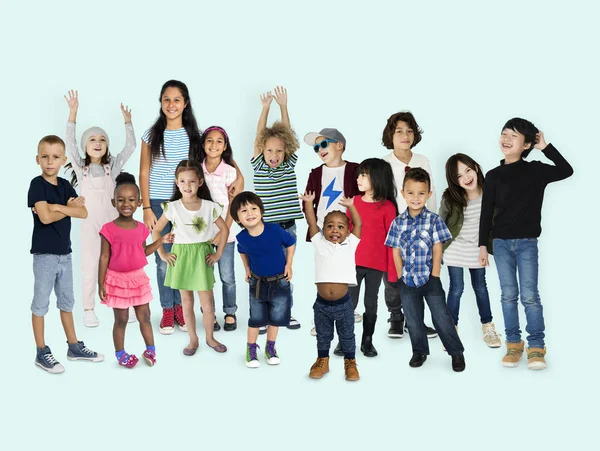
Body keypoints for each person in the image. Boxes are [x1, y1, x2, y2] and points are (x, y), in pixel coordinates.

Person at [140, 80, 243, 335]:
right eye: (166, 99)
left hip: (188, 204)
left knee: (185, 257)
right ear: (160, 102)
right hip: (157, 203)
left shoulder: (195, 136)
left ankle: (184, 310)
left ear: (185, 103)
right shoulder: (151, 135)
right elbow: (143, 171)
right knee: (164, 260)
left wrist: (239, 179)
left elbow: (222, 160)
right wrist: (145, 207)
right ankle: (168, 309)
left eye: (177, 100)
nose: (171, 104)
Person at [479, 118, 573, 370]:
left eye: (514, 135)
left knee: (530, 296)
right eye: (504, 133)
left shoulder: (536, 170)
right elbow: (486, 213)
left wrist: (545, 147)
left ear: (526, 144)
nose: (506, 139)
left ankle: (536, 346)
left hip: (527, 242)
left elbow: (567, 170)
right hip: (500, 243)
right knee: (508, 295)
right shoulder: (493, 176)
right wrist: (482, 245)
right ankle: (513, 344)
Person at [28, 135, 104, 373]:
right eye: (45, 157)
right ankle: (41, 351)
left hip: (65, 254)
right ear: (37, 159)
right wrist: (68, 208)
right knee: (41, 304)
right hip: (44, 256)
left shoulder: (65, 186)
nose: (50, 162)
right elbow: (45, 217)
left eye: (55, 157)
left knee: (67, 302)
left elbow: (83, 214)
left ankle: (73, 346)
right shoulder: (36, 185)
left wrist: (59, 206)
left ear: (63, 160)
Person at [64, 90, 136, 327]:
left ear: (107, 146)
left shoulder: (112, 168)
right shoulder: (80, 167)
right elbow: (69, 142)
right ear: (85, 146)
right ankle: (88, 309)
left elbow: (131, 146)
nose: (97, 143)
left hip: (112, 225)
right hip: (89, 226)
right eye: (92, 139)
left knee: (121, 265)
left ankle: (126, 303)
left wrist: (128, 122)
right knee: (90, 267)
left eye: (102, 139)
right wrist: (73, 113)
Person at [385, 168, 466, 372]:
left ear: (429, 194)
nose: (416, 198)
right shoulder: (397, 222)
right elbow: (396, 252)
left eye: (421, 193)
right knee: (413, 319)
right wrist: (401, 274)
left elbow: (437, 247)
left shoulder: (434, 220)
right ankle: (419, 351)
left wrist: (435, 273)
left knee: (441, 317)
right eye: (411, 193)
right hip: (407, 281)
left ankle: (456, 352)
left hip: (430, 278)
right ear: (403, 193)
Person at [152, 160, 229, 356]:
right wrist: (162, 253)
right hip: (181, 257)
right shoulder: (172, 207)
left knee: (208, 303)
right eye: (183, 181)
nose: (187, 186)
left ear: (200, 182)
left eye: (192, 181)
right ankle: (193, 339)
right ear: (177, 183)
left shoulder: (209, 206)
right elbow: (156, 230)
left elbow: (225, 228)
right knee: (187, 302)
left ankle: (210, 338)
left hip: (202, 256)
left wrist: (218, 253)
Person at [98, 173, 171, 368]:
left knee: (144, 316)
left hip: (137, 278)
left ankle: (151, 350)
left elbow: (143, 252)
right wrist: (101, 283)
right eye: (120, 200)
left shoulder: (141, 229)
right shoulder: (108, 229)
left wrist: (160, 241)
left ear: (139, 202)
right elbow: (104, 257)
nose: (126, 204)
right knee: (121, 319)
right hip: (116, 279)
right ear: (114, 202)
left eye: (131, 200)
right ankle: (120, 353)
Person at [331, 158, 398, 358]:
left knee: (371, 303)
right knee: (349, 303)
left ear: (377, 178)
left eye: (363, 175)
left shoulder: (387, 207)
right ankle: (344, 340)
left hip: (376, 266)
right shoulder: (354, 203)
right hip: (352, 264)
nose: (358, 178)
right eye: (358, 174)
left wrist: (393, 273)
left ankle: (367, 341)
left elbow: (392, 241)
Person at [381, 111, 438, 339]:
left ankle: (417, 320)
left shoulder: (422, 161)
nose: (405, 135)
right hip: (395, 229)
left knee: (419, 275)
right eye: (399, 131)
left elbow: (431, 195)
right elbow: (382, 199)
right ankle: (396, 317)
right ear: (390, 135)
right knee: (394, 276)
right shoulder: (385, 164)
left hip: (421, 228)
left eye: (409, 130)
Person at [252, 86, 302, 332]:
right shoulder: (259, 166)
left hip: (288, 230)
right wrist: (265, 108)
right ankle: (263, 317)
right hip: (266, 230)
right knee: (263, 275)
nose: (274, 154)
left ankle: (284, 314)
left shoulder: (289, 164)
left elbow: (288, 135)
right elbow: (261, 135)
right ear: (262, 150)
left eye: (279, 151)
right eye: (269, 150)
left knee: (284, 275)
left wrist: (283, 107)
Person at [303, 127, 362, 333]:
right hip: (322, 232)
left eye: (323, 144)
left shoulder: (355, 169)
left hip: (347, 231)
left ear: (340, 145)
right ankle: (320, 317)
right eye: (316, 148)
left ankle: (348, 307)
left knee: (347, 269)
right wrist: (315, 227)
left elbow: (362, 197)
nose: (319, 149)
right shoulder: (316, 173)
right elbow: (307, 201)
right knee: (324, 272)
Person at [439, 153, 501, 348]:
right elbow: (440, 223)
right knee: (456, 289)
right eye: (459, 176)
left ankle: (488, 327)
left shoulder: (490, 192)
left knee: (480, 287)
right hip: (455, 249)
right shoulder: (450, 197)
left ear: (475, 167)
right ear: (454, 181)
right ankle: (451, 329)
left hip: (478, 249)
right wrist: (437, 250)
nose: (466, 177)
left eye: (467, 170)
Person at [230, 192, 296, 368]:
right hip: (257, 283)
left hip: (280, 281)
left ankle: (270, 347)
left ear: (261, 211)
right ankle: (251, 349)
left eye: (253, 208)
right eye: (244, 211)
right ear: (238, 218)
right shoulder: (242, 238)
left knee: (276, 317)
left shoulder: (274, 230)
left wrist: (289, 265)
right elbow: (242, 251)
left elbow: (290, 242)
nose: (250, 213)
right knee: (256, 319)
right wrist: (246, 268)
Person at [301, 192, 361, 381]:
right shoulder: (319, 243)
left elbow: (359, 224)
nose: (335, 230)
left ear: (348, 231)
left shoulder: (350, 243)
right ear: (324, 230)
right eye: (330, 226)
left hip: (344, 304)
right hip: (322, 305)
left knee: (347, 335)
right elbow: (311, 223)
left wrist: (351, 206)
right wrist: (309, 203)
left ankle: (350, 362)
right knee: (323, 335)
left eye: (340, 227)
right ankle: (322, 360)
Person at [200, 126, 240, 331]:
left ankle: (230, 311)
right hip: (203, 235)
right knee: (205, 277)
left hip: (227, 234)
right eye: (209, 140)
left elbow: (233, 206)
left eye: (218, 141)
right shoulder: (198, 170)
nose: (213, 145)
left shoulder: (230, 172)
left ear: (225, 146)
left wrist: (222, 232)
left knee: (227, 276)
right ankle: (209, 313)